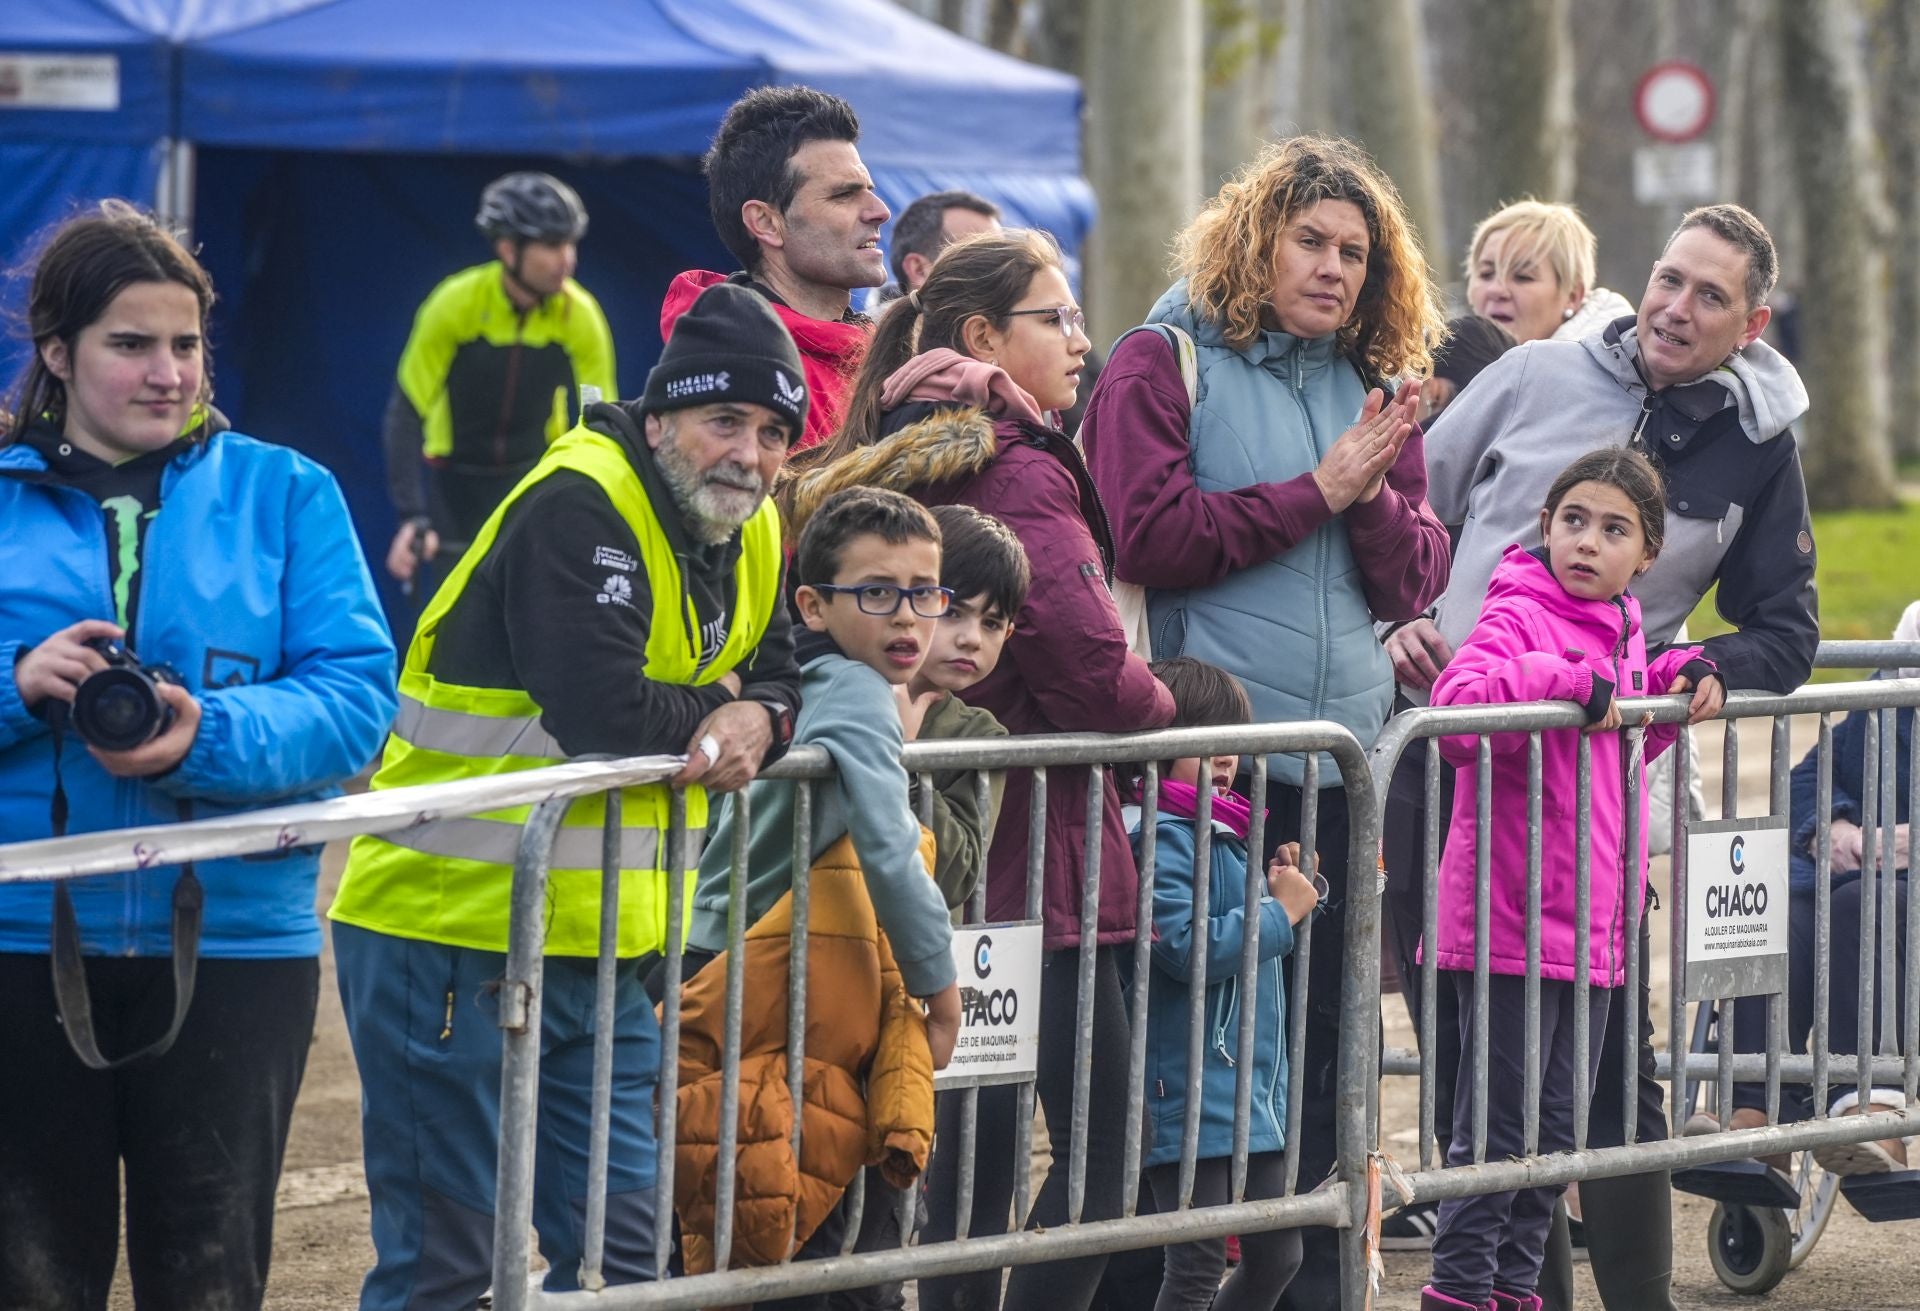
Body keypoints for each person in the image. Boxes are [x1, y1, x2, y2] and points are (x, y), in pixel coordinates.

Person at [329, 281, 806, 1309]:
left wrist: (760, 713)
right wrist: (724, 707)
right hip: (447, 933)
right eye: (726, 419)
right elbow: (601, 710)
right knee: (451, 1272)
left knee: (617, 1263)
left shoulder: (756, 519)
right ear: (663, 414)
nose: (751, 455)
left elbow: (784, 662)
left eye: (774, 431)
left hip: (608, 951)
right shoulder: (582, 497)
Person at [1400, 203, 1818, 1311]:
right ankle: (1485, 1291)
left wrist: (1700, 671)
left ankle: (1633, 1296)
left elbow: (1788, 628)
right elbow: (1404, 497)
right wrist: (1398, 615)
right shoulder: (1538, 371)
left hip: (1595, 794)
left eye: (1710, 296)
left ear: (1752, 322)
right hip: (1448, 754)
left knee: (1598, 1079)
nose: (1677, 309)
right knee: (1475, 1076)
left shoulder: (1759, 438)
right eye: (1668, 281)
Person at [0, 200, 396, 1311]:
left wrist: (204, 735)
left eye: (186, 343)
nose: (167, 372)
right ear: (57, 350)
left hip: (235, 949)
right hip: (17, 939)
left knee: (210, 1279)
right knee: (28, 1277)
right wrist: (18, 684)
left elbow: (356, 699)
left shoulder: (288, 492)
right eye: (131, 344)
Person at [1079, 134, 1450, 1309]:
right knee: (1205, 1071)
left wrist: (1373, 491)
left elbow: (1415, 578)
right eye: (1311, 241)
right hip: (1215, 778)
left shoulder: (1371, 381)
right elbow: (1143, 535)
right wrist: (1318, 493)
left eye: (1356, 250)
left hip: (1347, 772)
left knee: (1331, 1058)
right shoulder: (1161, 358)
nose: (1336, 269)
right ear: (1255, 239)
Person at [782, 226, 1176, 1311]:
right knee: (1081, 1166)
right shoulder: (1012, 462)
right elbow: (1098, 672)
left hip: (989, 864)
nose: (1083, 340)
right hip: (1026, 867)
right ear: (982, 338)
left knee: (974, 1171)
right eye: (1057, 318)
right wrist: (1174, 699)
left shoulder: (924, 441)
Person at [1420, 448, 1718, 1311]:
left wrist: (1673, 681)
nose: (1587, 542)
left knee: (1557, 1140)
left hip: (1591, 930)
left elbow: (1617, 746)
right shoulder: (1519, 609)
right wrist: (1564, 683)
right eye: (1573, 521)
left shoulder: (1624, 629)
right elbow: (1458, 703)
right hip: (1507, 924)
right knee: (1496, 1135)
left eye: (1613, 529)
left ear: (1648, 553)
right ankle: (1460, 1290)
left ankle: (1515, 1292)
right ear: (1546, 526)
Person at [676, 487, 961, 1304]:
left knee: (718, 1200)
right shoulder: (861, 694)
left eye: (925, 593)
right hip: (769, 977)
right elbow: (892, 851)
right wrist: (942, 994)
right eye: (876, 593)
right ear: (811, 602)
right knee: (787, 1210)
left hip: (711, 953)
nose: (908, 618)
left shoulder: (789, 679)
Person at [839, 502, 1027, 1311]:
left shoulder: (975, 732)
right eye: (954, 608)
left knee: (880, 1208)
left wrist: (901, 758)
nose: (971, 638)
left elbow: (953, 864)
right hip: (815, 979)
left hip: (900, 998)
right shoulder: (842, 690)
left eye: (994, 623)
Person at [1696, 600, 1919, 1175]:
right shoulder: (1890, 684)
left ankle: (1872, 1108)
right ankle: (1754, 1110)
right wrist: (1834, 828)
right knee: (1762, 902)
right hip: (1859, 876)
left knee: (1856, 904)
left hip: (1883, 894)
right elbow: (1809, 778)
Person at [1126, 656, 1321, 1311]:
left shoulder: (1228, 834)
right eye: (1201, 737)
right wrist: (1278, 909)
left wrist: (1279, 884)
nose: (1223, 756)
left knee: (1281, 1252)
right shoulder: (1158, 832)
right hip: (1185, 1092)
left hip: (1248, 1091)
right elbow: (1184, 944)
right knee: (1196, 1262)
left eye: (1232, 739)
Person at [383, 171, 614, 585]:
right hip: (455, 485)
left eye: (571, 243)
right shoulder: (454, 303)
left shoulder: (581, 316)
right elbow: (406, 412)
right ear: (508, 249)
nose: (568, 259)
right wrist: (411, 515)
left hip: (532, 476)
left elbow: (598, 424)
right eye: (551, 245)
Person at [664, 86, 890, 449]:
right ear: (766, 223)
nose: (880, 210)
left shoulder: (889, 354)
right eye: (844, 195)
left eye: (869, 189)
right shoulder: (735, 375)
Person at [1464, 200, 1634, 346]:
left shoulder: (1603, 378)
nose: (1496, 290)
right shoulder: (1447, 367)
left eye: (1522, 277)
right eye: (1486, 274)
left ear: (1573, 296)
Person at [878, 189, 1003, 304]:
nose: (1003, 271)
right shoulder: (871, 328)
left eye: (1005, 257)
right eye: (985, 259)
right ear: (919, 269)